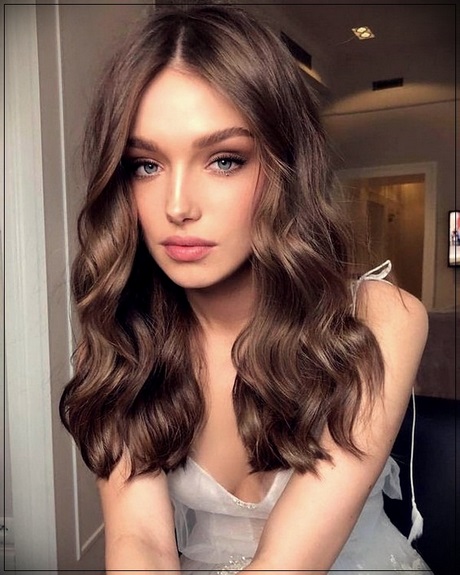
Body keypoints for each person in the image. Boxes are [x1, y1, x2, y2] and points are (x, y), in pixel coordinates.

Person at [59, 4, 431, 573]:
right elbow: (142, 543)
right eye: (146, 165)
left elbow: (290, 564)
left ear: (285, 167)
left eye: (225, 160)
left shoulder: (380, 319)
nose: (177, 207)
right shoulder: (124, 339)